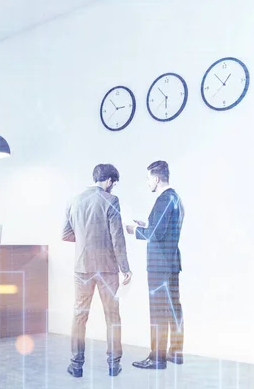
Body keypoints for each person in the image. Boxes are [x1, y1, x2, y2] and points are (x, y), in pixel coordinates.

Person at [62, 164, 132, 378]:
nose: (113, 187)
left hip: (82, 267)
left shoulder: (73, 200)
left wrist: (85, 240)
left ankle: (76, 365)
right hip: (107, 269)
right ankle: (113, 364)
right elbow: (117, 238)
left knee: (79, 316)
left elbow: (66, 234)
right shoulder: (111, 201)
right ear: (109, 180)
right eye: (114, 183)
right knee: (112, 316)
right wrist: (125, 268)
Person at [125, 160, 185, 370]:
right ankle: (175, 353)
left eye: (148, 178)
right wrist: (147, 225)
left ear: (157, 178)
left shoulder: (163, 200)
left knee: (158, 311)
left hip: (159, 265)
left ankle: (157, 358)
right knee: (173, 307)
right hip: (172, 262)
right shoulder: (176, 199)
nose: (147, 182)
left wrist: (135, 230)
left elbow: (156, 234)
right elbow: (163, 230)